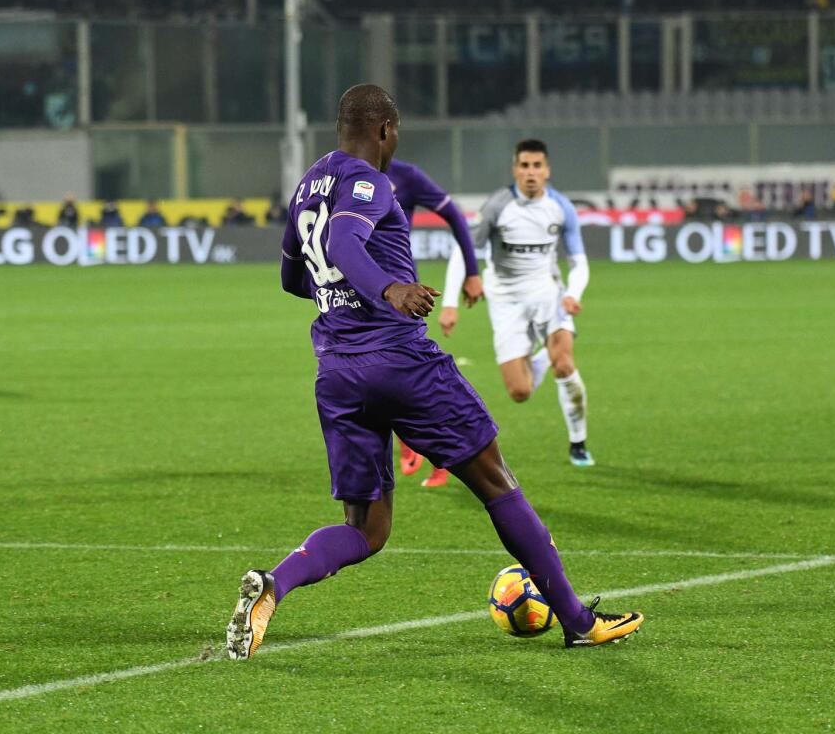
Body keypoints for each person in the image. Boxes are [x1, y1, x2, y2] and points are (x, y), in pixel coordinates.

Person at [225, 85, 643, 661]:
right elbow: (344, 242)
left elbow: (292, 277)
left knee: (366, 528)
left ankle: (275, 585)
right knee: (495, 479)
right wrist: (387, 289)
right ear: (385, 130)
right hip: (400, 362)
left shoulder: (307, 186)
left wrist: (342, 296)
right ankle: (577, 621)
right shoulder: (369, 180)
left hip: (338, 373)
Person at [438, 139, 595, 468]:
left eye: (537, 166)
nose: (531, 172)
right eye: (524, 166)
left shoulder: (561, 207)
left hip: (548, 293)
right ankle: (546, 354)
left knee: (565, 364)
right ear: (515, 170)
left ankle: (578, 443)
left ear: (547, 170)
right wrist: (450, 303)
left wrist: (573, 294)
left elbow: (578, 261)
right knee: (520, 392)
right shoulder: (498, 206)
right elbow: (463, 250)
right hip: (505, 299)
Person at [384, 158, 481, 488]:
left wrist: (472, 271)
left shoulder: (405, 175)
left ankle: (435, 451)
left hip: (399, 293)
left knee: (412, 375)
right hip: (354, 293)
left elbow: (454, 214)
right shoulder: (340, 171)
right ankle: (409, 442)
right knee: (372, 375)